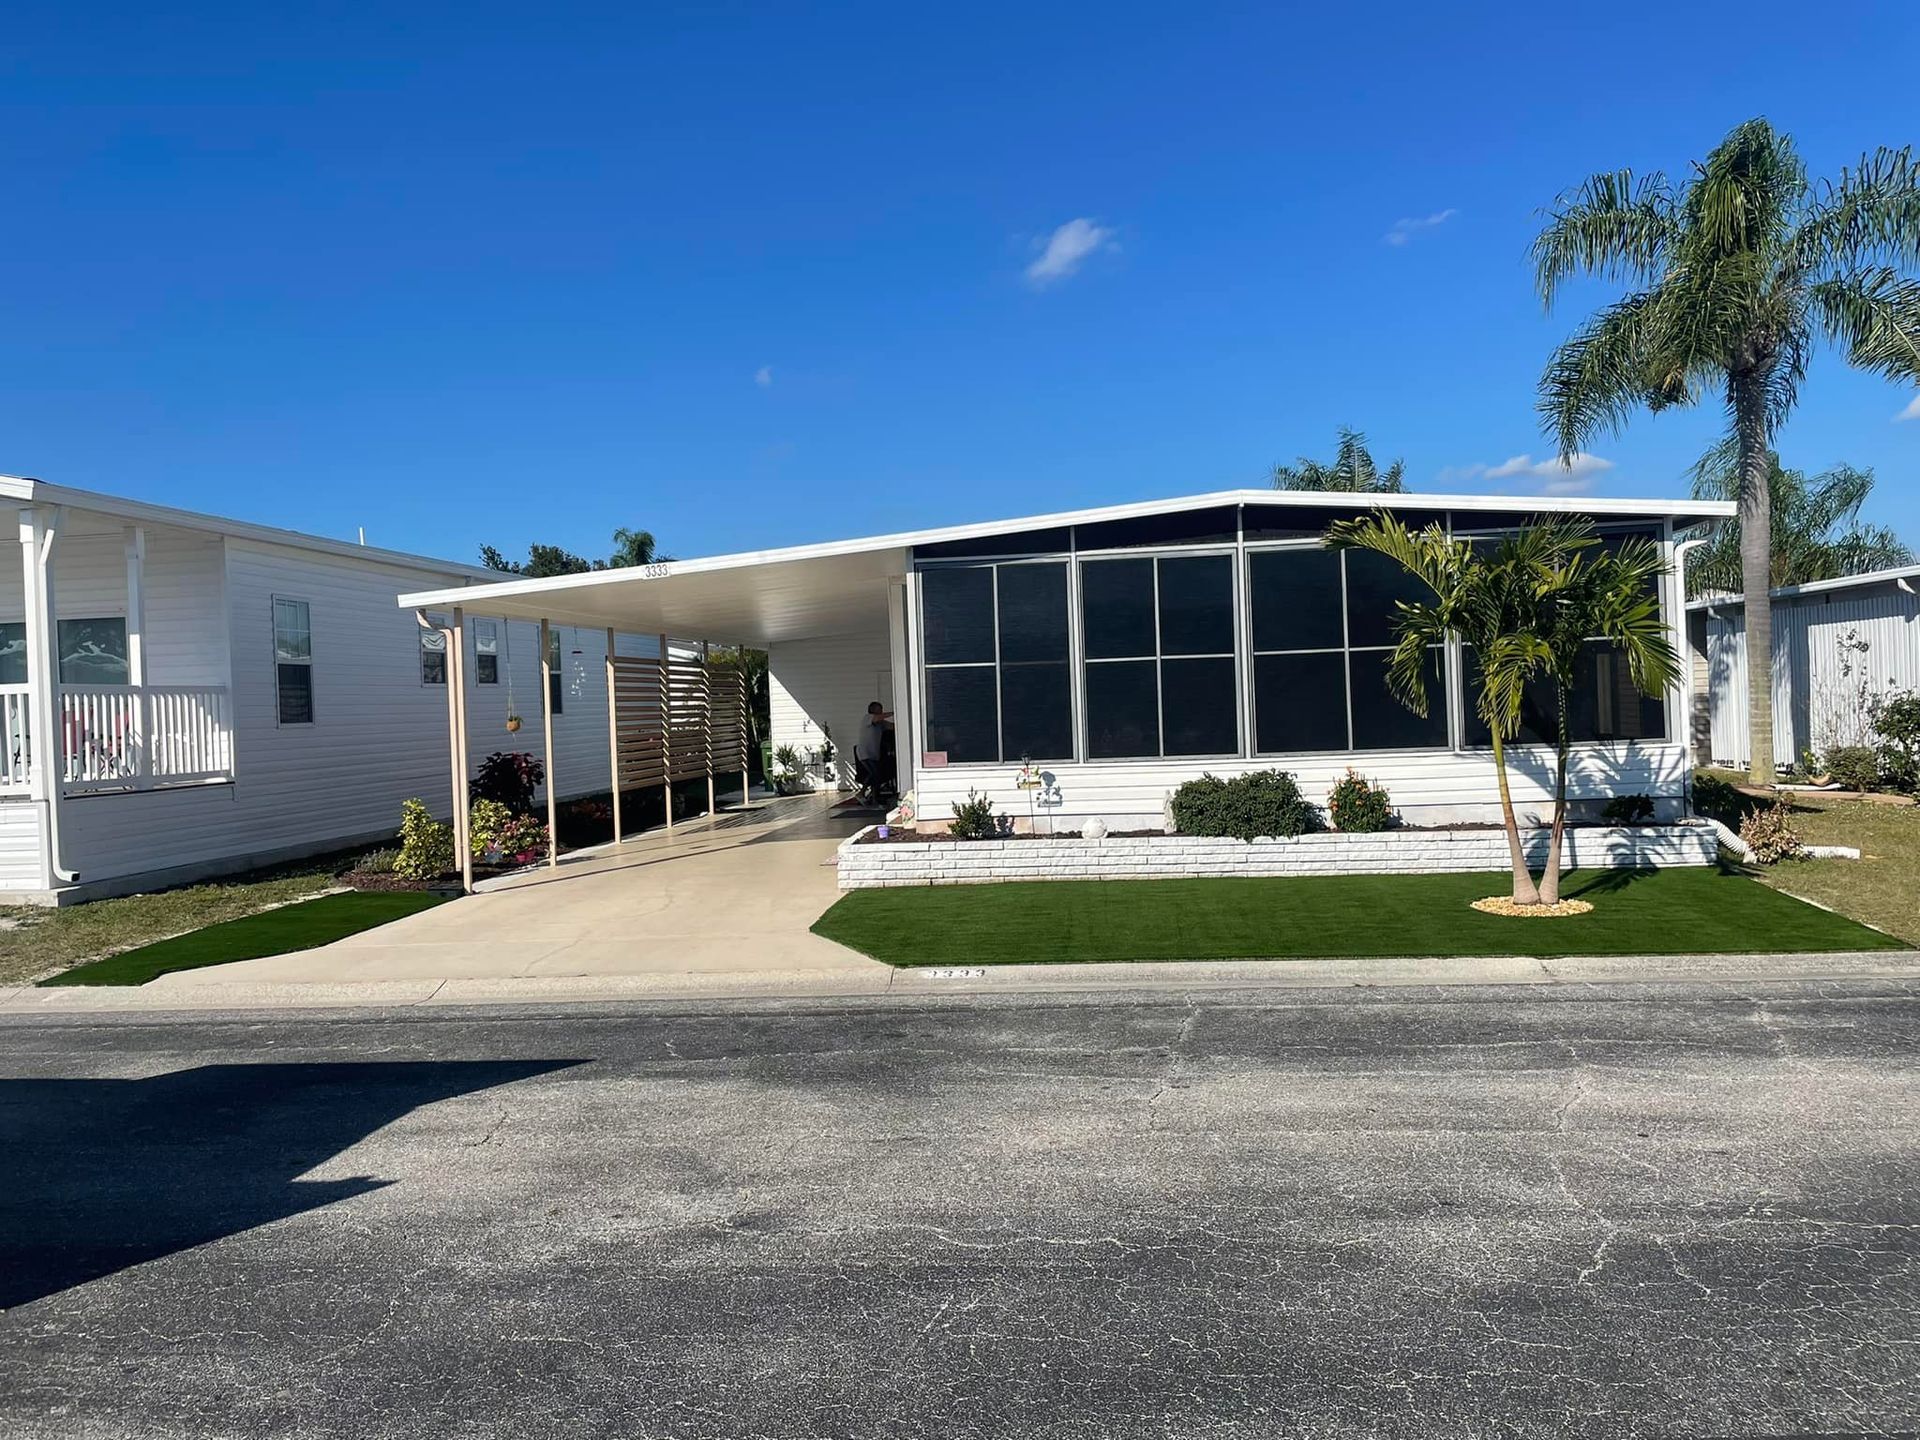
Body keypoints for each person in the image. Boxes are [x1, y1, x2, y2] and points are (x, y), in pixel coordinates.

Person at [857, 701, 895, 794]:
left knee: (875, 775)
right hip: (865, 753)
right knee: (875, 774)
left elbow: (892, 726)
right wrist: (895, 712)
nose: (881, 711)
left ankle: (869, 796)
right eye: (879, 709)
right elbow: (877, 717)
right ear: (872, 709)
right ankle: (863, 794)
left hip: (874, 754)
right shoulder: (867, 717)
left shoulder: (881, 723)